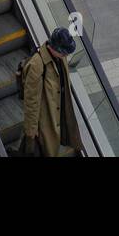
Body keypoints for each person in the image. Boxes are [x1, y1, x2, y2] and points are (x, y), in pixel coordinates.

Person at [19, 27, 83, 158]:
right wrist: (31, 130)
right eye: (64, 53)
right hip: (45, 120)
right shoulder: (37, 64)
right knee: (46, 150)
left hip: (58, 114)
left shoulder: (60, 58)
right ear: (55, 49)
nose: (66, 56)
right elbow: (31, 100)